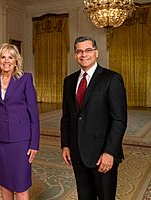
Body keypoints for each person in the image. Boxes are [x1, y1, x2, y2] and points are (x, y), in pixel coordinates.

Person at [60, 35, 127, 200]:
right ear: (75, 55)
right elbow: (67, 117)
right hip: (77, 153)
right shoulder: (69, 81)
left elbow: (119, 120)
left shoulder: (112, 79)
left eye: (88, 50)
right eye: (79, 51)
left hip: (102, 155)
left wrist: (110, 152)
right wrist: (66, 145)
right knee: (84, 197)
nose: (84, 54)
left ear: (96, 52)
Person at [0, 43, 40, 200]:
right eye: (3, 57)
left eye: (11, 57)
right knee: (5, 183)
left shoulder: (25, 79)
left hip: (21, 141)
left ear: (16, 61)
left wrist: (34, 143)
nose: (6, 60)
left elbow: (33, 113)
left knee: (21, 186)